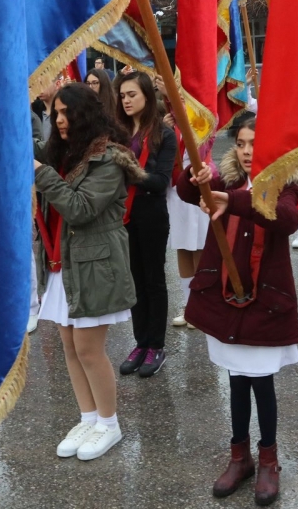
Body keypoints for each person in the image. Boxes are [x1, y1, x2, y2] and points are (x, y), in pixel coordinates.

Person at [178, 116, 298, 506]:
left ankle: (269, 459)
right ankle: (240, 456)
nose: (249, 151)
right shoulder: (228, 179)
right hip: (226, 301)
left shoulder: (287, 183)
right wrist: (194, 171)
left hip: (264, 304)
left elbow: (286, 217)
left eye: (256, 144)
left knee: (261, 382)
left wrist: (232, 201)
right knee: (235, 380)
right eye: (243, 143)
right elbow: (187, 191)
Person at [33, 82, 144, 460]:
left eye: (66, 113)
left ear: (86, 114)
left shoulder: (110, 158)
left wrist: (41, 173)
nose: (59, 121)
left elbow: (80, 208)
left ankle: (109, 425)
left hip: (95, 263)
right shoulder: (62, 154)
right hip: (61, 263)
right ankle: (88, 416)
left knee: (88, 348)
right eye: (55, 114)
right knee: (69, 345)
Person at [114, 71, 178, 378]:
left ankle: (157, 346)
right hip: (122, 216)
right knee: (134, 281)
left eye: (132, 95)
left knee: (153, 280)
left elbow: (161, 181)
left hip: (151, 215)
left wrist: (130, 171)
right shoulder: (117, 131)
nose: (125, 101)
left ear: (147, 97)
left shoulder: (162, 135)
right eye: (122, 96)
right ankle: (140, 343)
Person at [152, 72, 213, 330]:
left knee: (199, 245)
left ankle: (203, 305)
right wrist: (163, 127)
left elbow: (201, 141)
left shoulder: (201, 114)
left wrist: (171, 98)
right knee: (182, 246)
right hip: (173, 189)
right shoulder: (166, 116)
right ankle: (189, 305)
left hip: (197, 185)